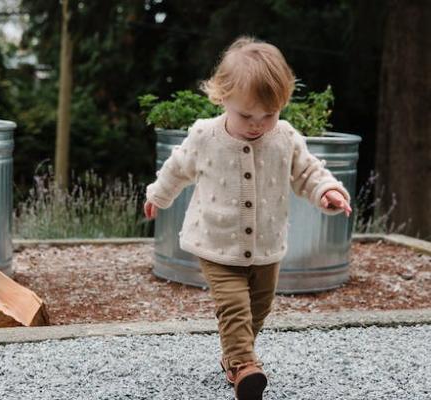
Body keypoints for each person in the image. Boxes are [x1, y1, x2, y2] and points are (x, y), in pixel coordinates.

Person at [143, 36, 351, 400]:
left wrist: (327, 191)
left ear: (282, 105)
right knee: (234, 305)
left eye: (268, 115)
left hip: (267, 244)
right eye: (246, 116)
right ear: (222, 98)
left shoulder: (284, 137)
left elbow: (307, 173)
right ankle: (244, 365)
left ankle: (234, 358)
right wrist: (157, 196)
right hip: (216, 243)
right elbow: (176, 169)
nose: (258, 125)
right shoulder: (204, 135)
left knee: (260, 305)